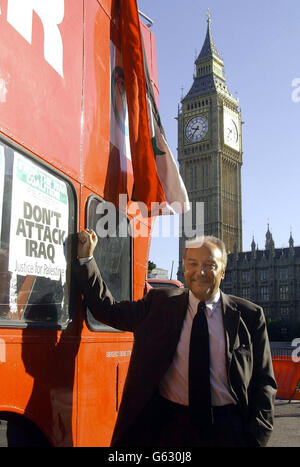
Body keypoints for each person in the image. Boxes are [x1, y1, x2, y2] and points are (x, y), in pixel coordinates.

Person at [74, 229, 277, 447]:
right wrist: (86, 259)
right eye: (192, 263)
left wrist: (256, 438)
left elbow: (264, 382)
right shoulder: (159, 304)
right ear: (184, 267)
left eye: (210, 264)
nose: (201, 271)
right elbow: (109, 310)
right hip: (171, 426)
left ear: (223, 271)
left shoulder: (250, 315)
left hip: (227, 429)